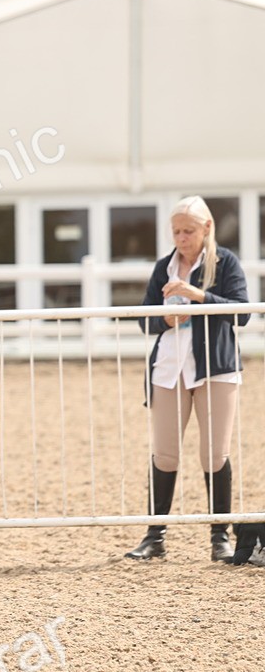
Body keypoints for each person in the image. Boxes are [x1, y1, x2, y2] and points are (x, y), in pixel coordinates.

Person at [126, 196, 249, 562]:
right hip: (168, 368)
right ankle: (155, 536)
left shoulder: (225, 262)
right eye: (176, 231)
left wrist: (199, 296)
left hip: (216, 367)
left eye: (188, 231)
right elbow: (144, 319)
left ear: (207, 228)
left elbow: (241, 314)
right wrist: (164, 320)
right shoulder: (165, 266)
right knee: (164, 453)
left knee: (214, 453)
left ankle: (219, 537)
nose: (181, 237)